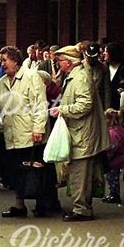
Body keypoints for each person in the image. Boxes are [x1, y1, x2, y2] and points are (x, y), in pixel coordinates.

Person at [0, 46, 53, 218]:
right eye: (0, 60)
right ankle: (19, 206)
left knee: (36, 170)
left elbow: (39, 105)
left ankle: (42, 204)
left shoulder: (31, 77)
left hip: (29, 133)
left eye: (4, 60)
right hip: (12, 134)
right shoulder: (4, 81)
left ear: (15, 60)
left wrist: (38, 129)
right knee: (17, 171)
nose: (1, 64)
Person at [49, 45, 107, 222]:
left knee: (79, 174)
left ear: (69, 62)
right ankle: (82, 206)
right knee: (79, 173)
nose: (57, 63)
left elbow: (85, 105)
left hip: (83, 134)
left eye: (59, 60)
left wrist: (63, 110)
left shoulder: (80, 78)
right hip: (80, 132)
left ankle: (82, 209)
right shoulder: (75, 76)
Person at [103, 108, 124, 204]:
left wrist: (107, 155)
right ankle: (113, 193)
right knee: (114, 177)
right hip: (118, 157)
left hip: (113, 159)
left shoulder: (112, 133)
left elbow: (113, 146)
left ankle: (114, 194)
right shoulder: (120, 130)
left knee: (112, 178)